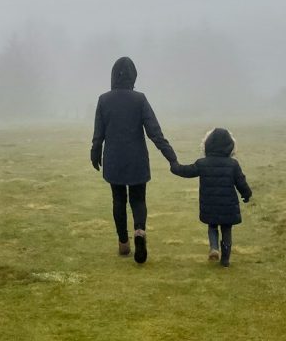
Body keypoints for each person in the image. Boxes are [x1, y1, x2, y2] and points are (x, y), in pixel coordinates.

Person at [91, 56, 178, 263]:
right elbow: (155, 132)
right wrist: (171, 157)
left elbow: (98, 133)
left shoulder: (104, 100)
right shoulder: (140, 99)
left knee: (118, 200)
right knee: (138, 199)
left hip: (114, 160)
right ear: (133, 77)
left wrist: (95, 152)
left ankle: (123, 243)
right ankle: (139, 230)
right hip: (137, 159)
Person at [170, 127, 252, 267]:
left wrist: (175, 166)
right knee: (227, 230)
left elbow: (187, 171)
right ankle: (225, 260)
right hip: (228, 205)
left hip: (209, 204)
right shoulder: (233, 164)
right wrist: (246, 194)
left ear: (207, 145)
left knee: (212, 226)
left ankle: (214, 248)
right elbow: (241, 182)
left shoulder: (202, 163)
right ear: (230, 146)